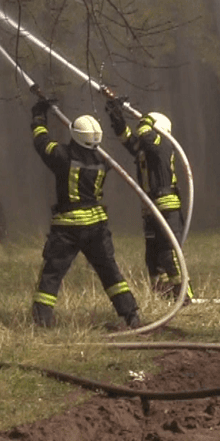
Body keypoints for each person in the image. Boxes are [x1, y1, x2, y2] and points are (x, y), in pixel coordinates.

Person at [29, 98, 141, 330]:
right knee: (109, 271)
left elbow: (41, 142)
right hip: (96, 227)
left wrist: (40, 116)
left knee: (52, 274)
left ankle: (41, 323)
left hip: (67, 228)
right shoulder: (104, 161)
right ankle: (131, 314)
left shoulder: (62, 157)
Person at [106, 99, 187, 297]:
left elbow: (145, 135)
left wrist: (145, 119)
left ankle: (185, 295)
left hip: (166, 205)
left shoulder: (163, 145)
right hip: (150, 208)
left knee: (169, 253)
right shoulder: (148, 149)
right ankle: (163, 295)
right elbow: (129, 140)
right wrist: (116, 116)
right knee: (153, 256)